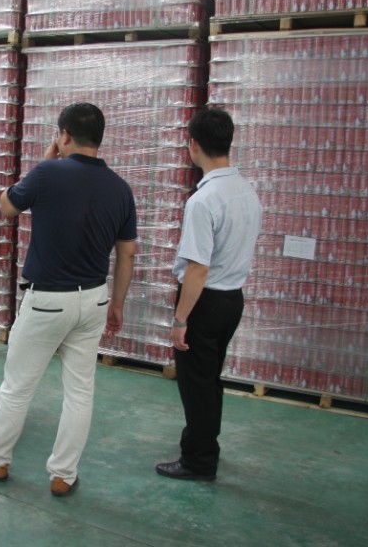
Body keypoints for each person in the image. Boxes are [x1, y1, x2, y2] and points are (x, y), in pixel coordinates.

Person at [0, 102, 137, 498]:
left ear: (64, 136)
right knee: (80, 391)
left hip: (47, 302)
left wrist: (43, 163)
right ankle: (64, 474)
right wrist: (117, 304)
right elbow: (127, 254)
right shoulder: (121, 189)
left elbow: (7, 206)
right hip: (94, 300)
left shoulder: (47, 173)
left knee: (18, 385)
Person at [156, 108, 262, 482]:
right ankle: (206, 446)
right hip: (232, 299)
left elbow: (198, 269)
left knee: (196, 386)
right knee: (210, 380)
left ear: (193, 145)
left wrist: (180, 320)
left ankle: (199, 461)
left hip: (204, 302)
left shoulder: (204, 200)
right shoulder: (246, 190)